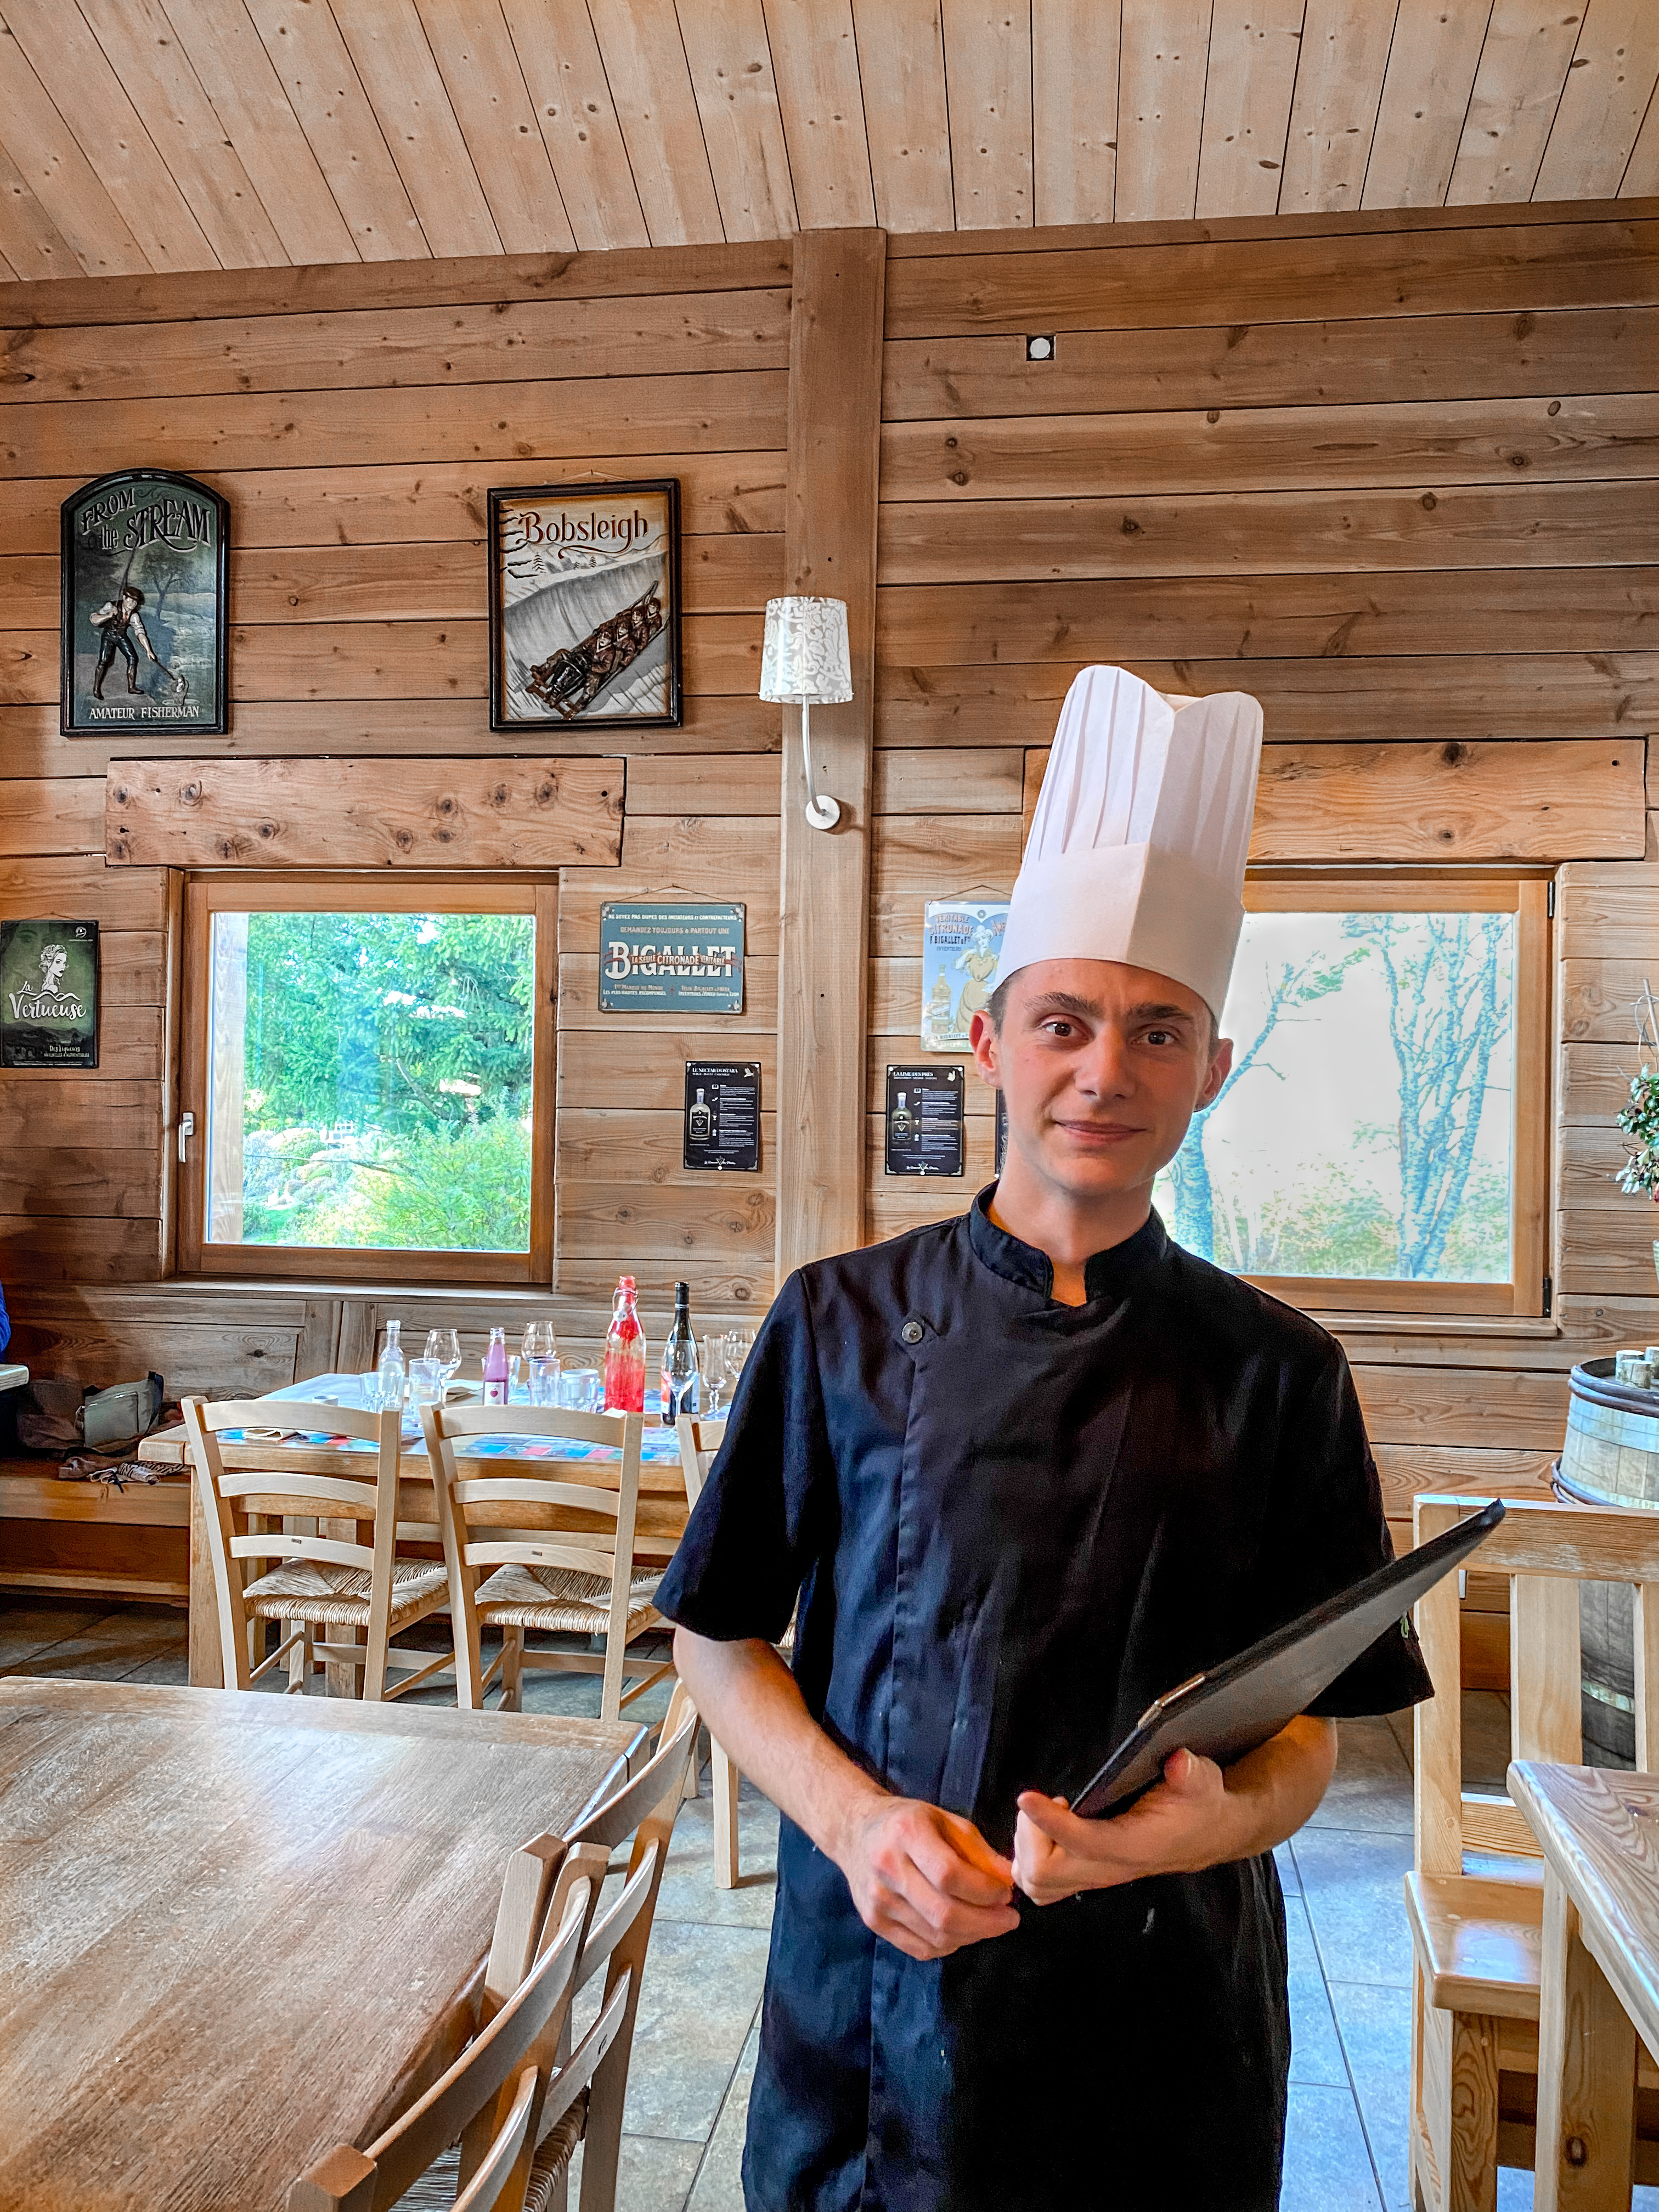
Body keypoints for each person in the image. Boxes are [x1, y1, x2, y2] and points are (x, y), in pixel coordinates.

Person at [657, 665, 1434, 2212]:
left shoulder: (1282, 1371)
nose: (1106, 1071)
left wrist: (1201, 1832)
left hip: (1171, 2013)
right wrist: (856, 1821)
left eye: (1159, 1034)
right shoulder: (838, 1322)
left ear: (1212, 1071)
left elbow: (1311, 1736)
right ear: (990, 1038)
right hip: (879, 1998)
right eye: (1065, 1023)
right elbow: (717, 1640)